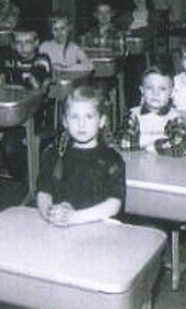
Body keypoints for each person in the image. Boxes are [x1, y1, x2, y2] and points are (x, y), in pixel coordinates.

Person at [36, 85, 125, 226]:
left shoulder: (111, 159)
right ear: (65, 121)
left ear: (102, 121)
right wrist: (50, 213)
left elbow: (114, 204)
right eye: (74, 117)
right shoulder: (53, 155)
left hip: (98, 230)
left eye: (89, 116)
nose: (81, 124)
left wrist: (74, 218)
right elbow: (44, 192)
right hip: (60, 228)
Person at [0, 29, 52, 183]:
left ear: (36, 43)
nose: (22, 47)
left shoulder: (41, 59)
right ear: (13, 45)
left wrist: (18, 79)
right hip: (9, 112)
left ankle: (27, 179)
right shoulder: (9, 58)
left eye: (27, 42)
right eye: (18, 43)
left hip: (34, 114)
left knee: (10, 145)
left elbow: (35, 85)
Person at [113, 65, 186, 157]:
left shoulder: (174, 117)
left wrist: (152, 146)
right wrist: (155, 142)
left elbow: (178, 143)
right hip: (135, 163)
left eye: (162, 89)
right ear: (142, 90)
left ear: (172, 93)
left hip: (165, 165)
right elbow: (123, 142)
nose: (155, 94)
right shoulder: (133, 115)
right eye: (149, 88)